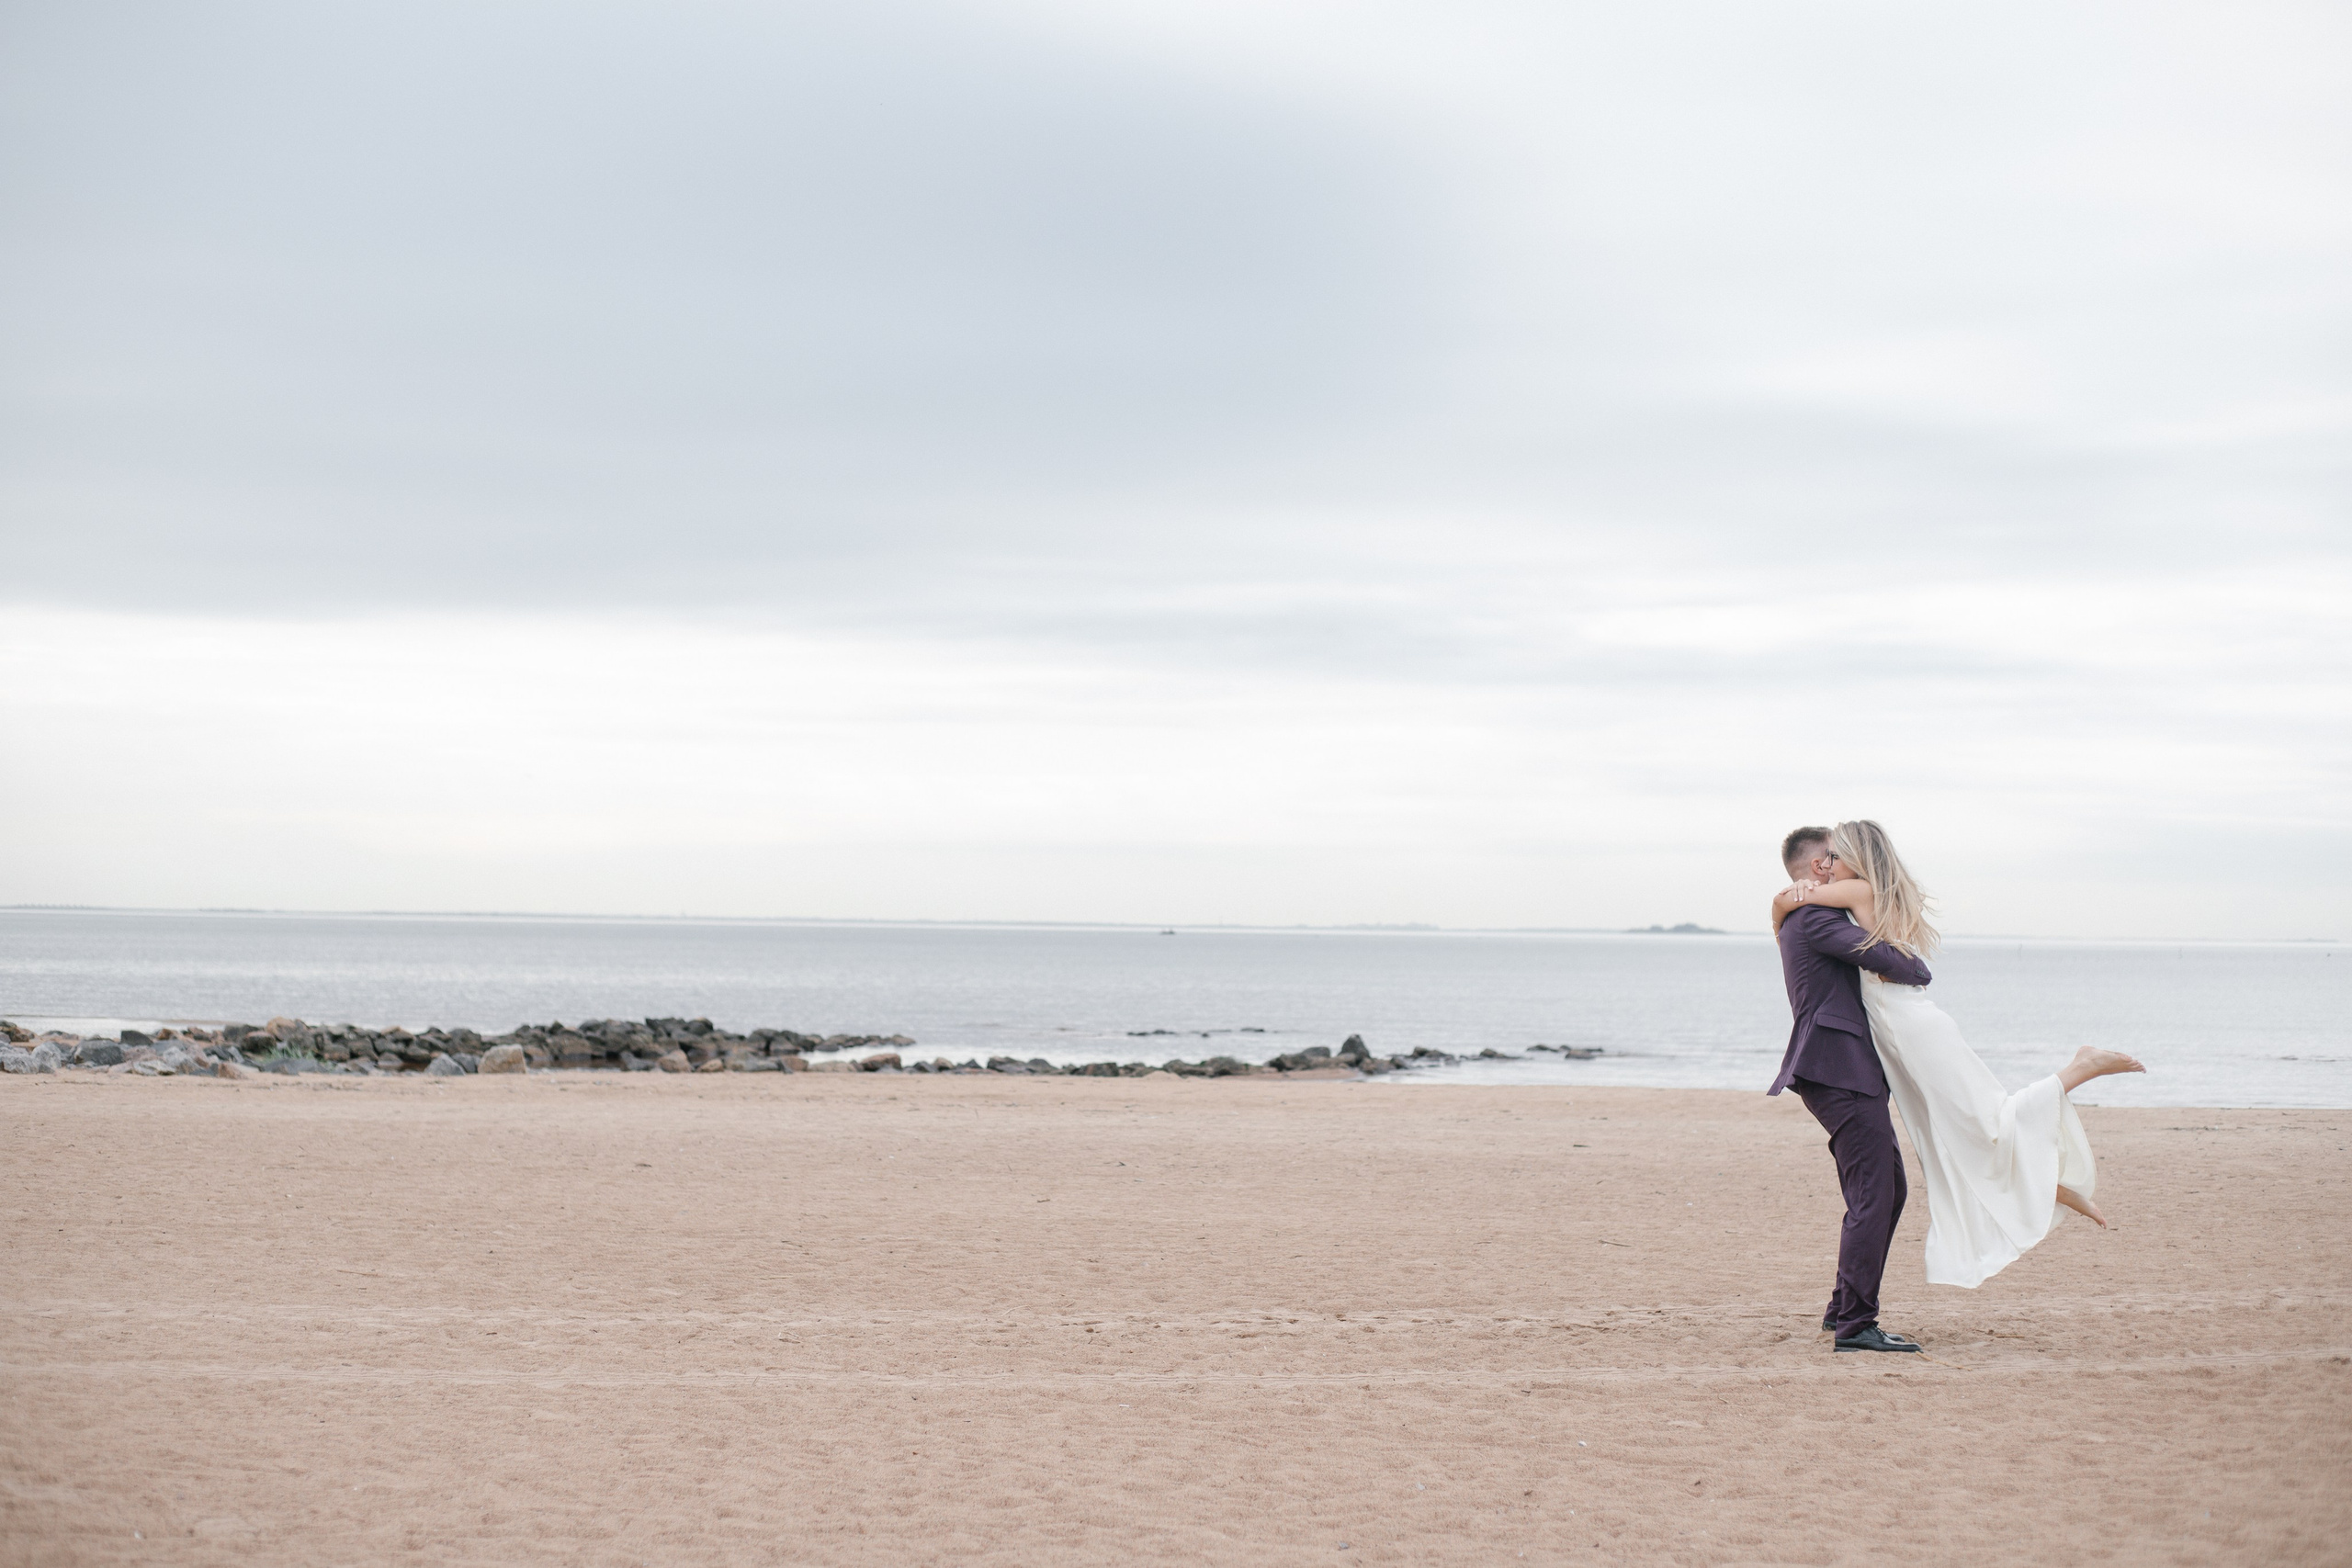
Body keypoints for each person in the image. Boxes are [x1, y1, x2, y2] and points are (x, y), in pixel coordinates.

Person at [1773, 820, 2145, 1294]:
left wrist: (1780, 907)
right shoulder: (1854, 899)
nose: (1827, 867)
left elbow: (1795, 906)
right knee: (1956, 1131)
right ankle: (2047, 1185)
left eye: (1835, 857)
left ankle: (2078, 1070)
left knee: (1982, 1119)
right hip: (1898, 1032)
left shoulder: (1852, 893)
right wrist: (1786, 904)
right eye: (1824, 860)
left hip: (1909, 1028)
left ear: (1856, 859)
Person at [1769, 826, 1937, 1353]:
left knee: (1888, 1190)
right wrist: (1911, 959)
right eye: (1836, 857)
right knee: (1875, 1194)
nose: (1845, 865)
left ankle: (1843, 1309)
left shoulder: (1809, 914)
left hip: (1840, 1068)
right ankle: (1855, 1325)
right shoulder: (1816, 919)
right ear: (1818, 867)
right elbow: (1904, 968)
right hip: (1838, 1068)